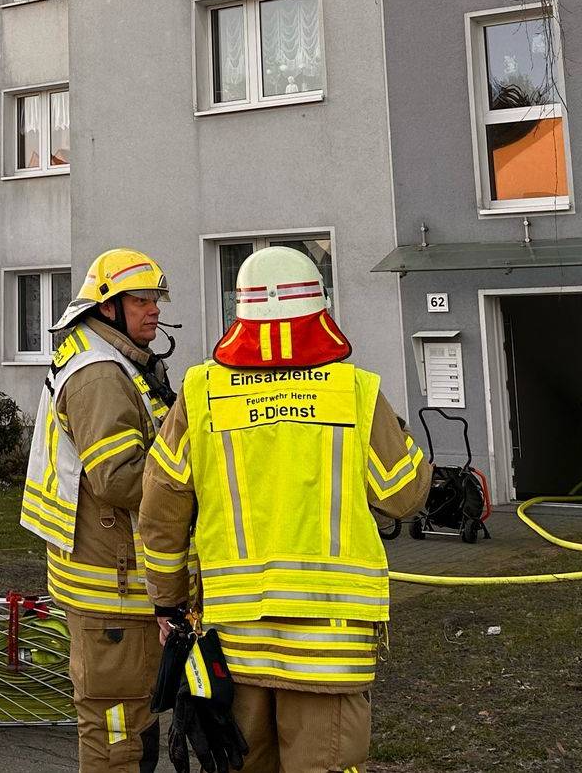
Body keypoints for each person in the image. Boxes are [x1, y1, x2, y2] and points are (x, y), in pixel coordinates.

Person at [138, 246, 429, 773]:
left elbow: (160, 512)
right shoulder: (355, 392)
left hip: (234, 639)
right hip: (329, 642)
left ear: (239, 313)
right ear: (320, 308)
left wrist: (167, 603)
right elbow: (404, 492)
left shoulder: (201, 393)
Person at [19, 248, 179, 772]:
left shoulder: (114, 359)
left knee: (136, 713)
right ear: (108, 308)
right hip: (110, 584)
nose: (154, 309)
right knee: (115, 728)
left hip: (115, 575)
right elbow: (117, 478)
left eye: (156, 299)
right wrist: (191, 481)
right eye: (142, 300)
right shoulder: (101, 374)